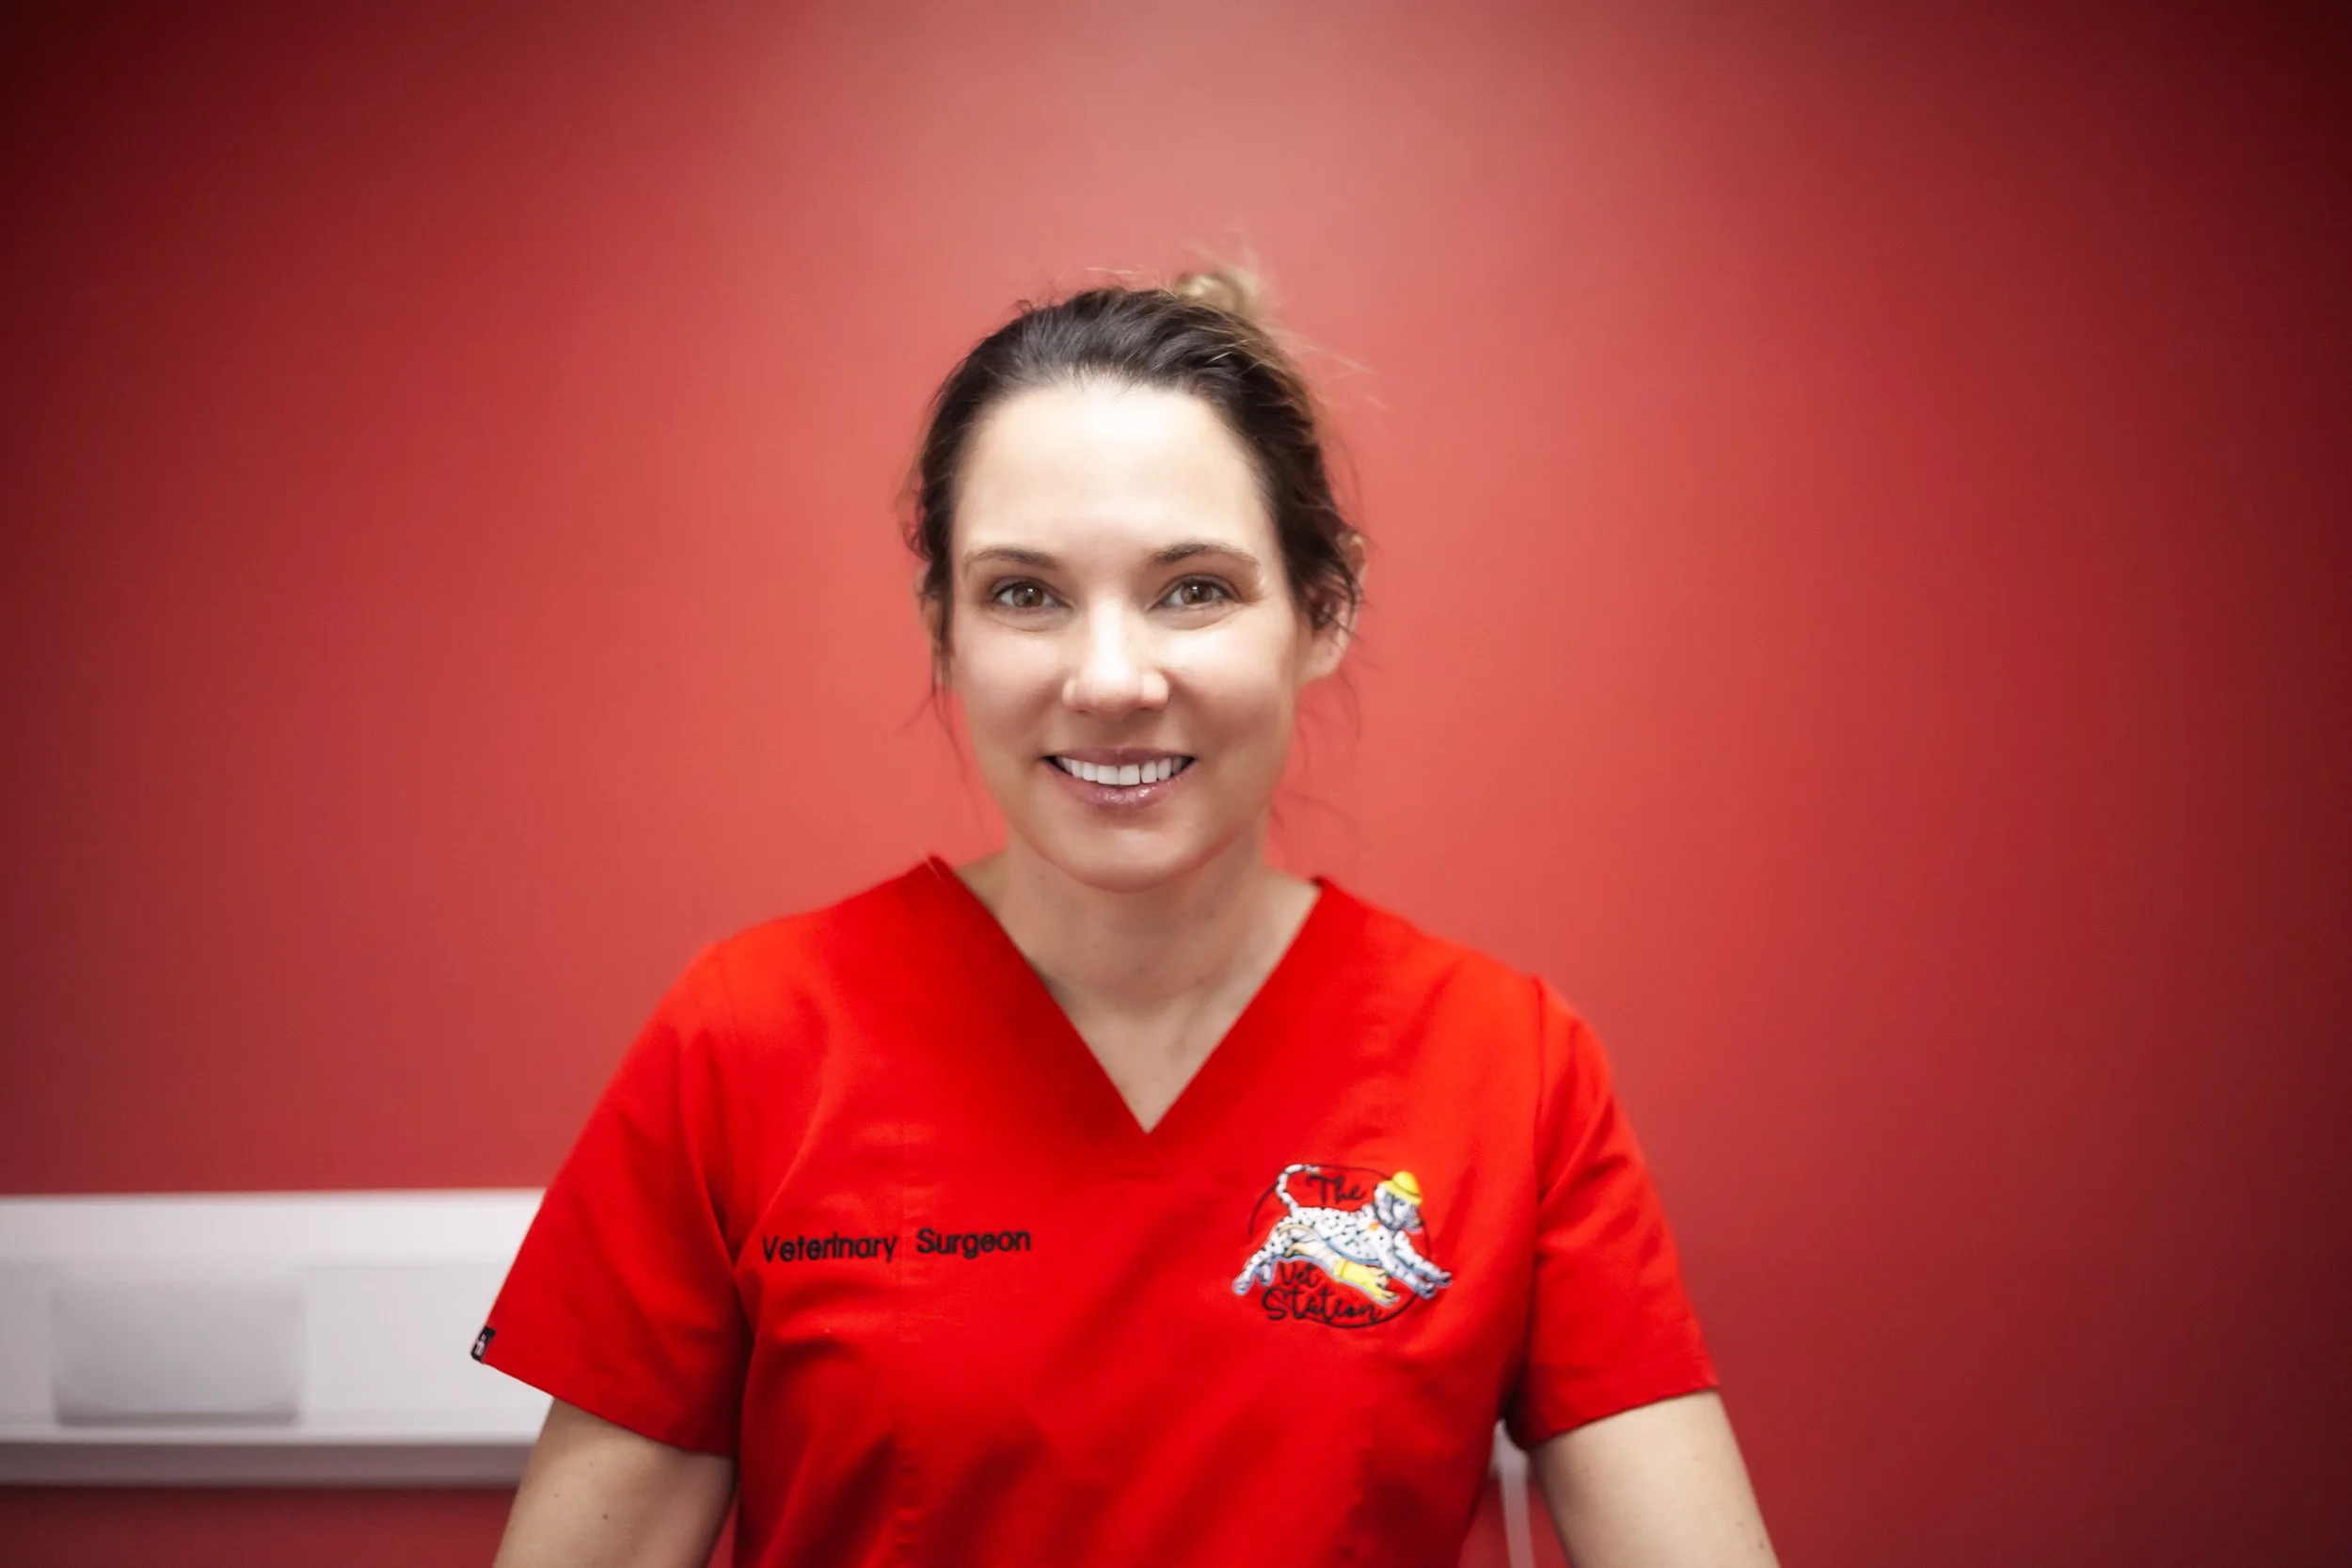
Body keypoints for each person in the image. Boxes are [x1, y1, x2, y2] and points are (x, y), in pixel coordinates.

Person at [479, 271, 1779, 1568]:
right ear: (942, 629)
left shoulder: (1510, 1067)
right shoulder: (748, 1044)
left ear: (1324, 611)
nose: (1109, 679)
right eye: (1025, 594)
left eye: (1194, 588)